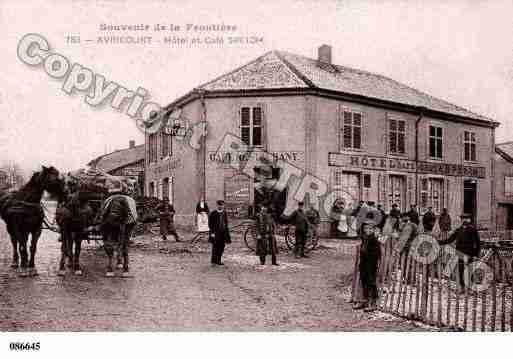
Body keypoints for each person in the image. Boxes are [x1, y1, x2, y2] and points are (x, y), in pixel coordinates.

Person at [438, 214, 480, 291]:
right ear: (461, 220)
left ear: (469, 220)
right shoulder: (458, 230)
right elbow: (450, 239)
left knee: (469, 270)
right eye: (463, 219)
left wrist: (476, 254)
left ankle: (470, 288)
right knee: (461, 271)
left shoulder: (473, 230)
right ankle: (462, 287)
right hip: (460, 253)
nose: (465, 220)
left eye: (466, 219)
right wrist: (439, 242)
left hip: (469, 253)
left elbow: (477, 243)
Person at [353, 219, 382, 312]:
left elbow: (377, 254)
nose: (368, 230)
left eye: (370, 229)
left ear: (373, 230)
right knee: (364, 282)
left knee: (371, 283)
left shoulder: (374, 240)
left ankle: (373, 303)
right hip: (364, 264)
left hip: (371, 265)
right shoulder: (364, 239)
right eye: (366, 229)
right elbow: (362, 251)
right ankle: (364, 300)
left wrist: (371, 260)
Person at [208, 200, 231, 265]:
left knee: (222, 247)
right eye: (219, 205)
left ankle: (219, 260)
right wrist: (212, 233)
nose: (221, 206)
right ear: (217, 205)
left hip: (223, 233)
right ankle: (213, 261)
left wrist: (227, 233)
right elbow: (210, 224)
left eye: (222, 205)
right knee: (215, 247)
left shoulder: (224, 213)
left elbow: (226, 223)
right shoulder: (213, 213)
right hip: (215, 233)